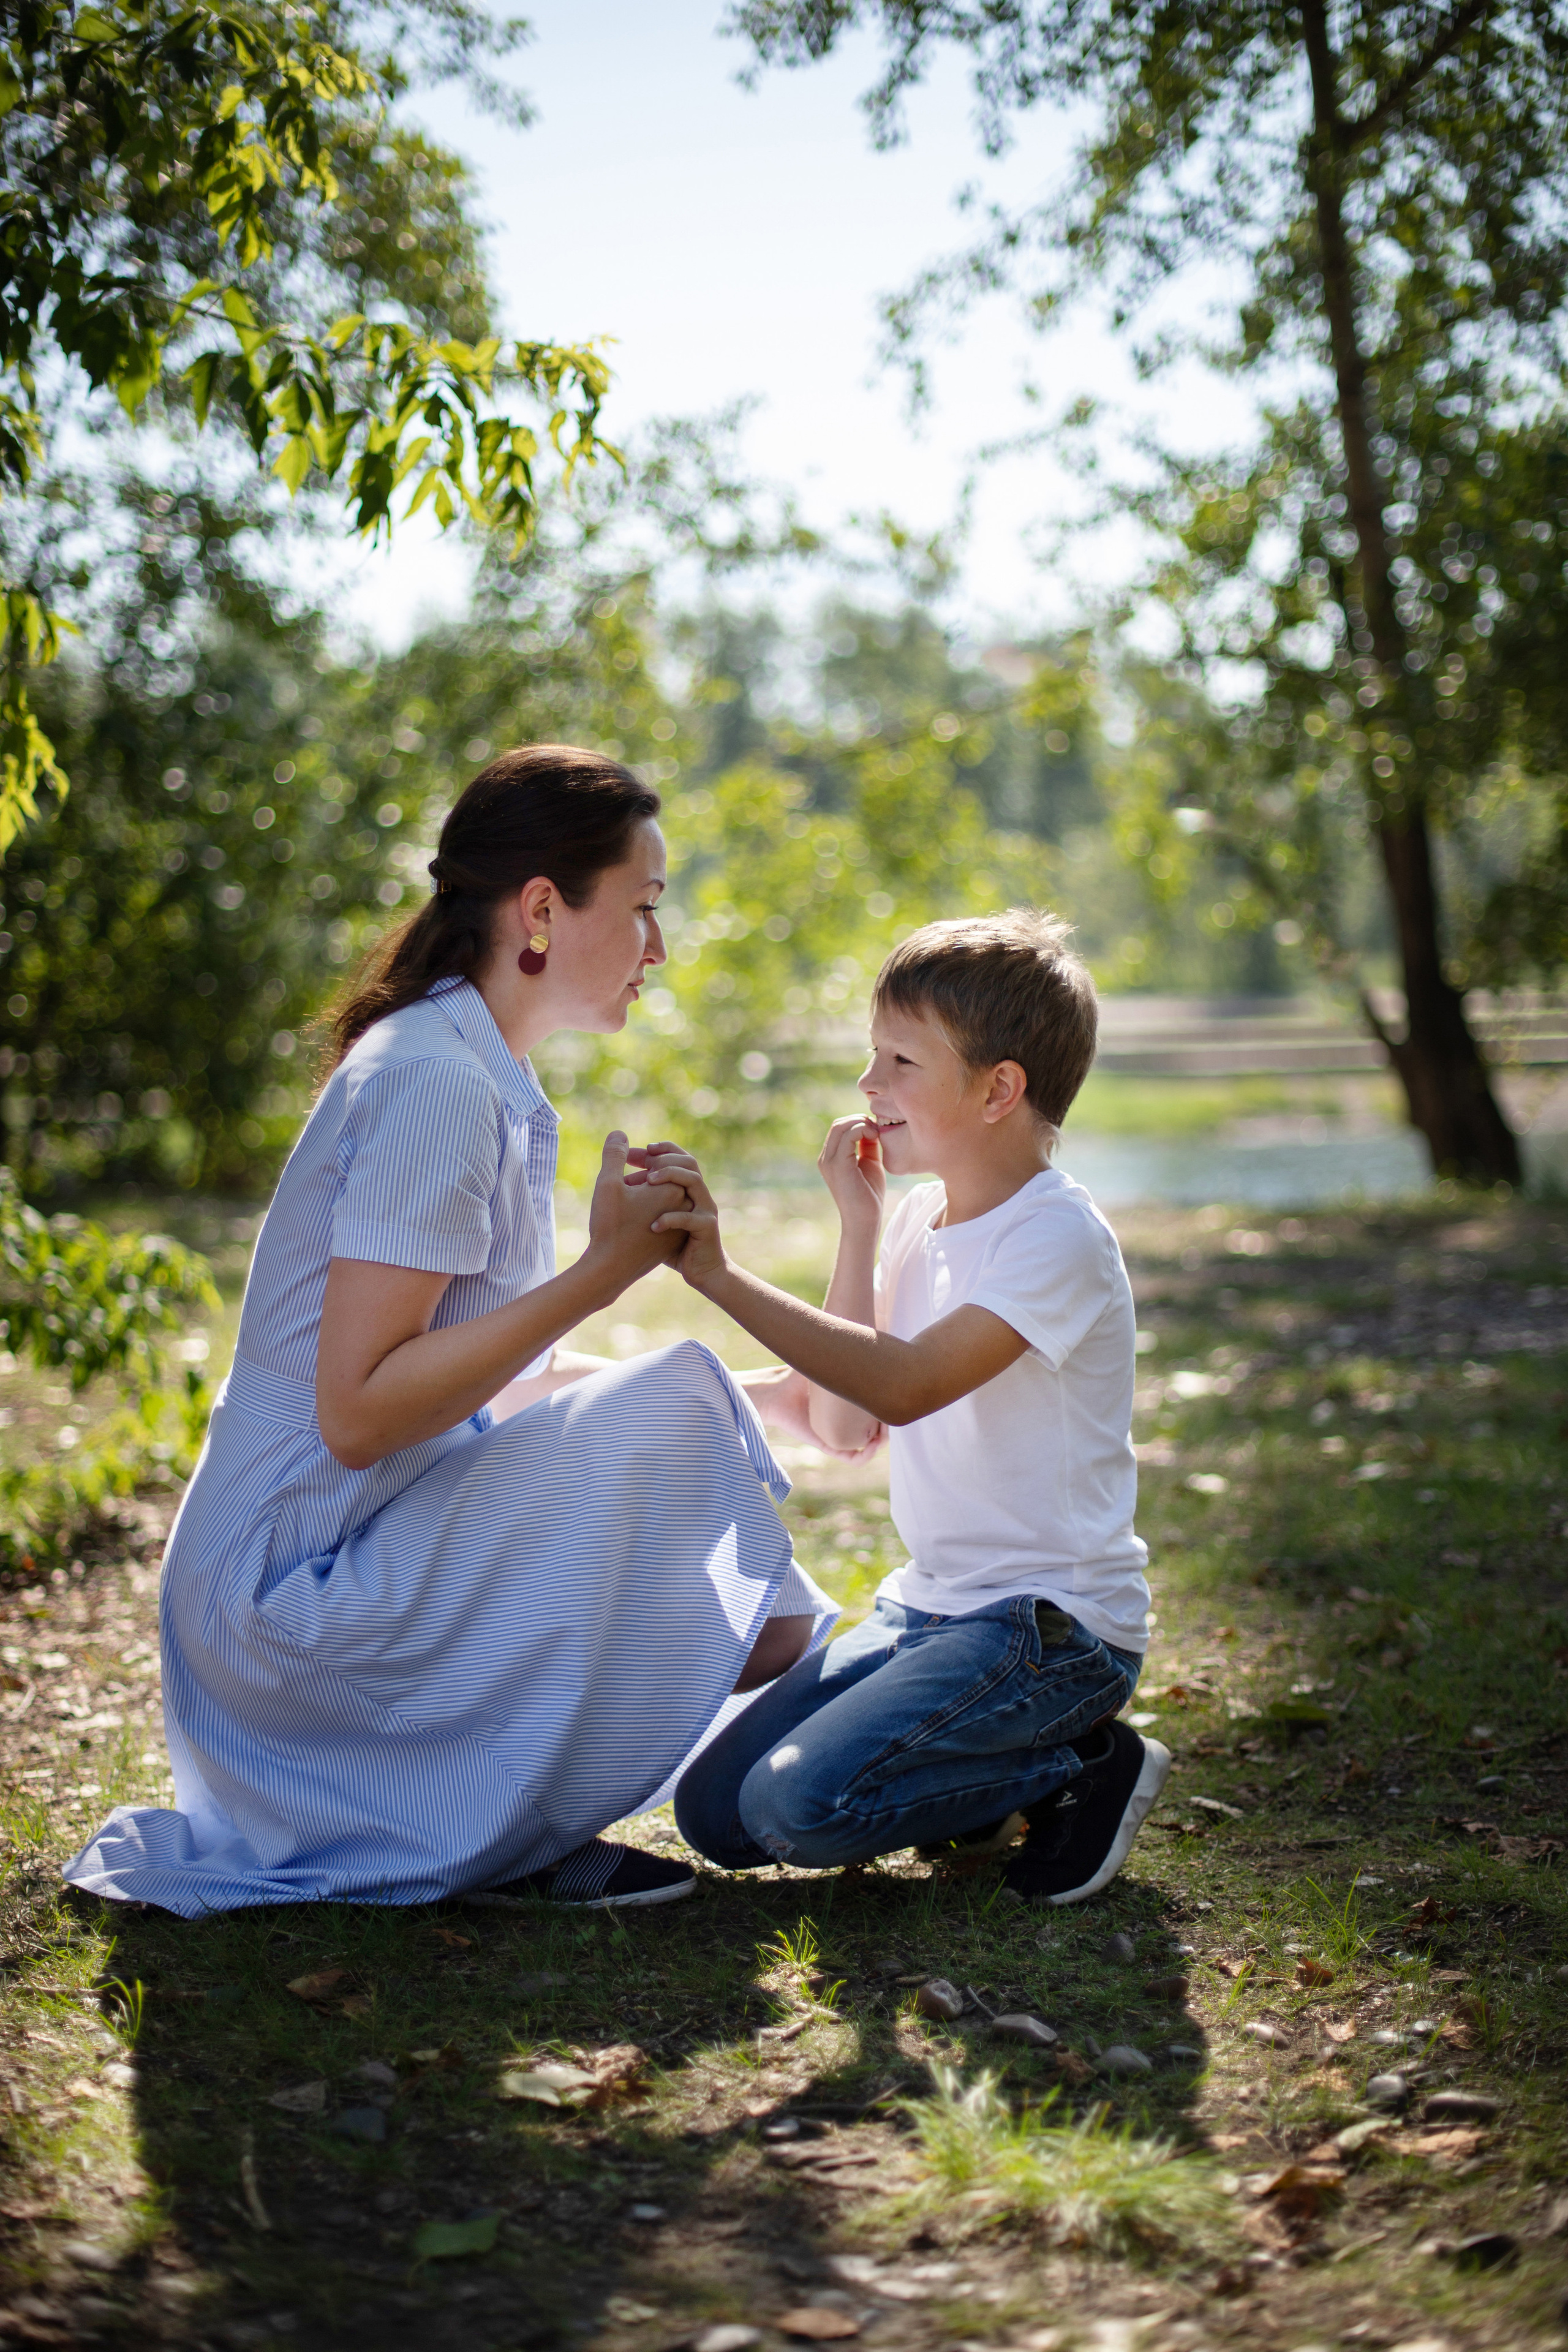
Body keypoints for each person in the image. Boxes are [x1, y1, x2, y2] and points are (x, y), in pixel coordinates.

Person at [63, 746, 836, 1917]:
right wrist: (604, 1275)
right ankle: (531, 1828)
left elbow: (491, 1380)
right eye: (643, 909)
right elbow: (365, 1412)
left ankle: (539, 1820)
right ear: (541, 911)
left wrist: (770, 1396)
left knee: (718, 1480)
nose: (659, 948)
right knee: (680, 1425)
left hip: (345, 1556)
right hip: (283, 1599)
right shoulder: (434, 1079)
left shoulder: (475, 1065)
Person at [658, 909, 1170, 1905]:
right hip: (927, 1608)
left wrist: (718, 1276)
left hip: (1050, 1630)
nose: (868, 1084)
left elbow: (905, 1381)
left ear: (1000, 1090)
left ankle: (1083, 1768)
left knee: (795, 1813)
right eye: (871, 1054)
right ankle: (975, 1800)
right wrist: (859, 1227)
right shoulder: (918, 1222)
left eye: (899, 1060)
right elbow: (851, 1423)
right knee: (716, 1816)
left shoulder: (1054, 1237)